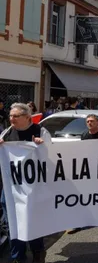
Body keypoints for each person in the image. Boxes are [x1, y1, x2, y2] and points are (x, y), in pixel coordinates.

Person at [0, 103, 51, 263]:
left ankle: (38, 252)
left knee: (31, 219)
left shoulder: (40, 131)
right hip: (11, 185)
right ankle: (18, 256)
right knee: (12, 222)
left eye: (15, 116)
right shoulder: (7, 133)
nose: (11, 119)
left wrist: (43, 145)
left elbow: (51, 155)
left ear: (27, 117)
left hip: (32, 185)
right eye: (10, 116)